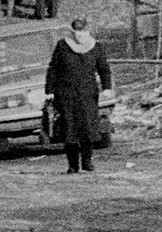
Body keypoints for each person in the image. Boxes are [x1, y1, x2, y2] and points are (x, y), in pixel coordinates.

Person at [45, 17, 113, 174]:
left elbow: (104, 69)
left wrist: (107, 87)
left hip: (87, 94)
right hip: (67, 94)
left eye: (82, 32)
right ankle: (73, 164)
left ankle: (87, 161)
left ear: (87, 32)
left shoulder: (96, 47)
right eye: (76, 32)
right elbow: (53, 69)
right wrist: (49, 90)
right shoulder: (63, 46)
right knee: (70, 129)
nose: (79, 35)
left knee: (88, 128)